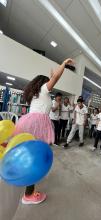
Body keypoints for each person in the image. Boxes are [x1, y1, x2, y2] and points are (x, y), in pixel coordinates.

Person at [14, 58, 74, 205]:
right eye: (48, 82)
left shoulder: (38, 94)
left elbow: (48, 106)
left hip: (32, 122)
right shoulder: (43, 90)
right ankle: (28, 195)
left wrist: (53, 76)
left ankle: (27, 188)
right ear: (43, 83)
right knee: (34, 158)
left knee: (31, 155)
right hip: (38, 124)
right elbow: (56, 78)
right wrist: (64, 64)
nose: (50, 85)